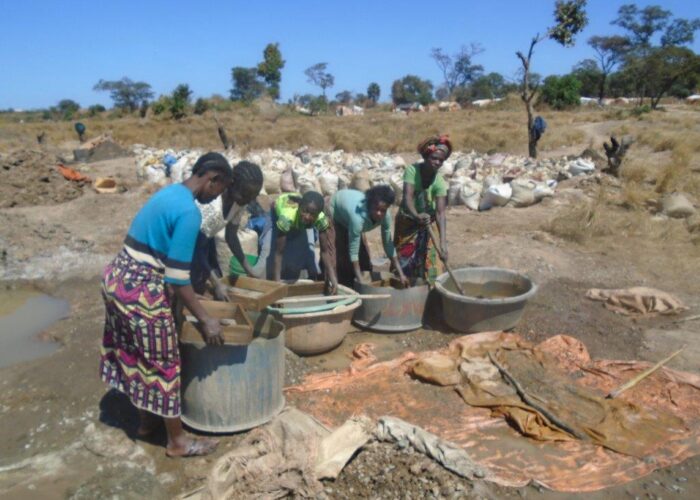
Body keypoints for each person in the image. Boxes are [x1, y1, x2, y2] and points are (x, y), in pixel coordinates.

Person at [99, 152, 232, 458]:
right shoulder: (189, 212)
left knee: (134, 352)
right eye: (219, 190)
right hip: (141, 291)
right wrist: (205, 319)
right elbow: (176, 279)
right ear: (212, 179)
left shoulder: (171, 192)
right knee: (164, 363)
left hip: (117, 278)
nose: (216, 198)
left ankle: (147, 422)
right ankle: (177, 442)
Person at [190, 161, 263, 298]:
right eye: (246, 195)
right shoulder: (212, 206)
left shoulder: (239, 202)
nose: (249, 200)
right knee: (191, 288)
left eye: (253, 196)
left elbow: (231, 236)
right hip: (188, 245)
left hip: (204, 243)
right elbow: (196, 249)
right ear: (232, 184)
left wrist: (249, 269)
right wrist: (216, 283)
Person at [394, 135, 451, 285]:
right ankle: (404, 290)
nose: (438, 162)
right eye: (434, 158)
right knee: (404, 259)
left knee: (432, 261)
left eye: (441, 160)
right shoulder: (412, 171)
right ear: (426, 157)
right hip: (407, 221)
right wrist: (417, 215)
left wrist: (443, 243)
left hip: (427, 223)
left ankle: (431, 293)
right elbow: (407, 198)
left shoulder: (439, 182)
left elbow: (440, 213)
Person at [328, 186, 409, 288]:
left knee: (364, 260)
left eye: (383, 210)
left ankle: (355, 281)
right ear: (370, 205)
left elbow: (388, 243)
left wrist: (401, 274)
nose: (379, 213)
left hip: (351, 215)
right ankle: (337, 284)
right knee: (338, 255)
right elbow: (353, 251)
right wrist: (360, 280)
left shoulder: (386, 216)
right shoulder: (357, 219)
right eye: (376, 209)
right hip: (336, 212)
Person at [271, 191, 338, 294]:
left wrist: (332, 277)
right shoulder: (286, 217)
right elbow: (279, 253)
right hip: (278, 213)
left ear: (318, 214)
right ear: (299, 206)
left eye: (312, 214)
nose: (307, 216)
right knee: (270, 260)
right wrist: (277, 287)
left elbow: (324, 251)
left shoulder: (320, 219)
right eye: (305, 211)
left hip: (298, 222)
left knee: (300, 260)